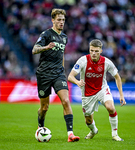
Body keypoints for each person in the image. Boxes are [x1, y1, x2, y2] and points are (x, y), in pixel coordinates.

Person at [32, 8, 80, 142]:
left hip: (59, 74)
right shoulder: (46, 34)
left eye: (63, 20)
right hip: (44, 74)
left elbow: (61, 54)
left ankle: (70, 134)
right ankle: (40, 126)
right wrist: (46, 47)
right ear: (53, 20)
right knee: (44, 107)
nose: (61, 22)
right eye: (59, 20)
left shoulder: (64, 37)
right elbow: (34, 50)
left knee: (65, 101)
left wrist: (63, 70)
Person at [68, 39, 126, 141]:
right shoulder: (82, 61)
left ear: (101, 51)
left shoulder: (106, 62)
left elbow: (117, 77)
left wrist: (121, 95)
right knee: (88, 120)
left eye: (96, 51)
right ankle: (94, 131)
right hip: (87, 93)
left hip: (101, 89)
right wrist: (77, 82)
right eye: (91, 51)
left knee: (111, 108)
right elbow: (70, 76)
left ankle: (115, 134)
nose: (93, 53)